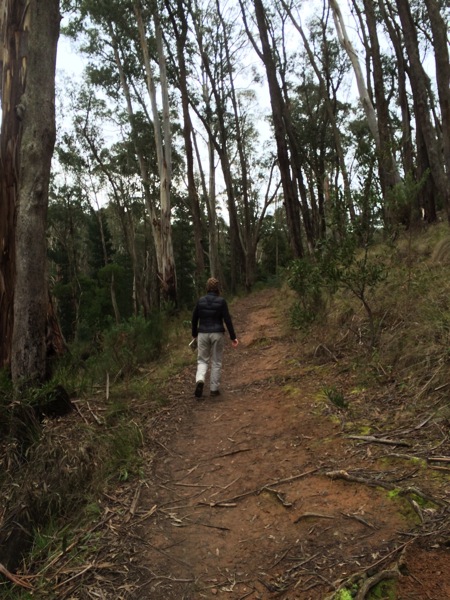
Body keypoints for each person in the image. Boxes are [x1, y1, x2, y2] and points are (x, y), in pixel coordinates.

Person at [191, 278, 238, 399]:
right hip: (217, 333)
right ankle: (214, 389)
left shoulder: (200, 301)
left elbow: (194, 318)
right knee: (216, 361)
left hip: (202, 333)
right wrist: (233, 337)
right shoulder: (221, 301)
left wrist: (194, 333)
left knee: (202, 360)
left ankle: (200, 379)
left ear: (207, 288)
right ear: (217, 289)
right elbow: (227, 320)